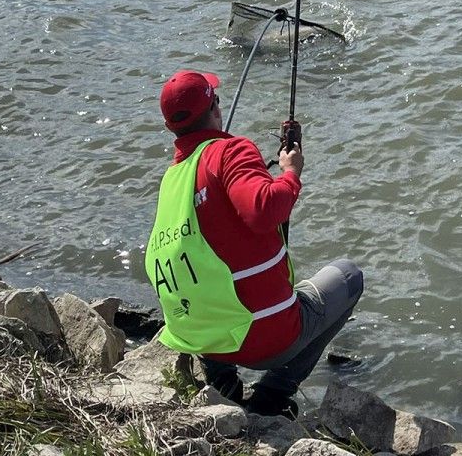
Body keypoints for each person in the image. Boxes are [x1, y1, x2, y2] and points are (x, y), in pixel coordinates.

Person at [145, 69, 363, 417]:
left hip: (202, 337)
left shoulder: (172, 181)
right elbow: (264, 209)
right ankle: (273, 394)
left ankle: (225, 389)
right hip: (266, 343)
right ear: (215, 107)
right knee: (349, 277)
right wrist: (291, 172)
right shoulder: (231, 151)